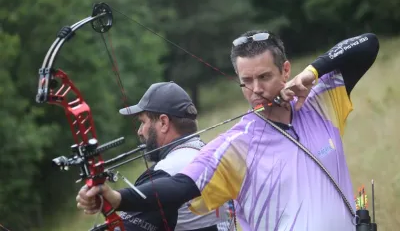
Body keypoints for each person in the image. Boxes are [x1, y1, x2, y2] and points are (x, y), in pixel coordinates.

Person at [76, 31, 379, 231]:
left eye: (264, 76)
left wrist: (313, 72)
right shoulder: (236, 144)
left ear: (285, 70)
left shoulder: (320, 103)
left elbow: (368, 44)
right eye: (246, 81)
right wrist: (118, 198)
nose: (256, 90)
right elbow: (179, 187)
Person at [77, 81, 233, 231]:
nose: (139, 131)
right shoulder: (209, 156)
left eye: (143, 122)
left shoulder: (165, 172)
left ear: (163, 123)